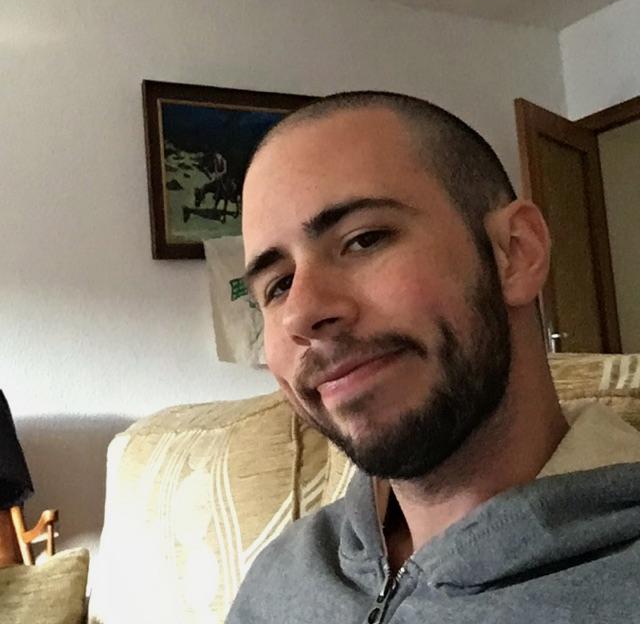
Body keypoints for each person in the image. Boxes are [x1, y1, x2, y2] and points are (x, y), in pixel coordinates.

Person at [227, 92, 640, 623]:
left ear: (516, 253)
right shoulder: (281, 575)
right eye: (278, 286)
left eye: (363, 240)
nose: (301, 314)